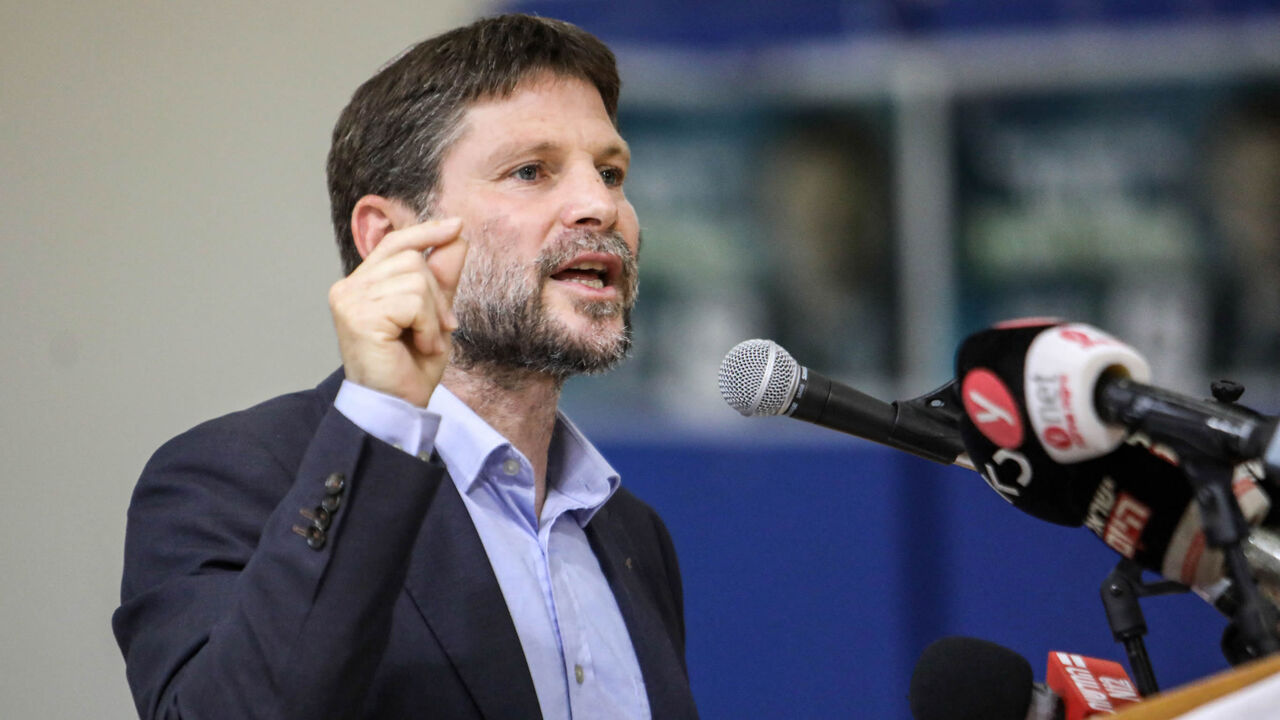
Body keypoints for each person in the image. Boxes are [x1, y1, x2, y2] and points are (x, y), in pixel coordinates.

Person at [112, 14, 698, 720]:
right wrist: (382, 415)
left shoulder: (633, 534)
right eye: (530, 171)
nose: (600, 205)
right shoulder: (235, 480)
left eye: (610, 172)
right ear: (391, 240)